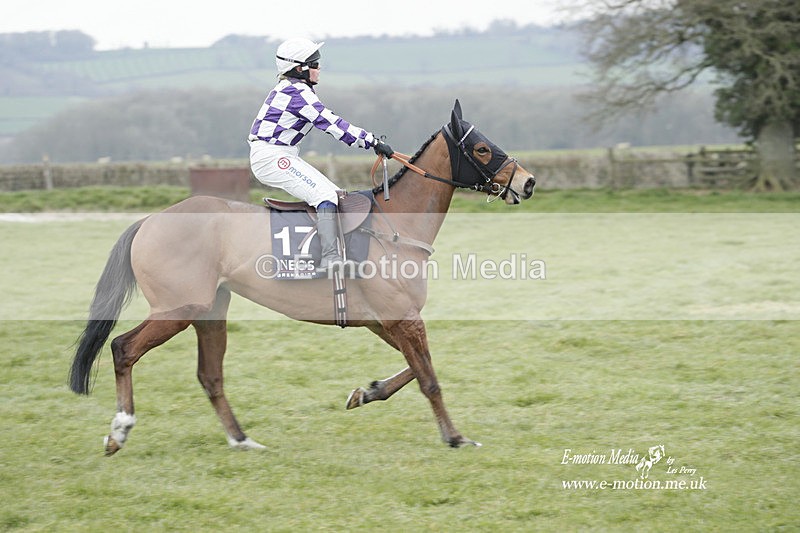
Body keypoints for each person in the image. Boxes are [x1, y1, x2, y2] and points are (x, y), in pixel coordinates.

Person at [248, 37, 394, 272]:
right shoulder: (297, 93)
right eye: (315, 64)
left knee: (334, 195)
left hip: (278, 154)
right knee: (325, 195)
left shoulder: (293, 89)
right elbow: (330, 122)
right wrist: (371, 141)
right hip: (272, 157)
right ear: (299, 69)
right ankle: (329, 259)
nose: (319, 68)